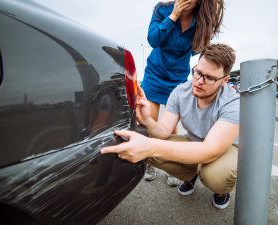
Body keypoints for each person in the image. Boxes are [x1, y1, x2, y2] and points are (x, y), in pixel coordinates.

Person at [101, 43, 239, 209]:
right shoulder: (180, 91)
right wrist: (147, 120)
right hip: (194, 142)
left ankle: (221, 192)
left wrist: (151, 146)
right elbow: (164, 132)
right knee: (150, 144)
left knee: (217, 177)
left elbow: (210, 150)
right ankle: (191, 176)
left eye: (209, 78)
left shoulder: (233, 101)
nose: (199, 81)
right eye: (198, 72)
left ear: (224, 80)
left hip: (223, 149)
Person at [142, 0, 225, 185]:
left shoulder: (200, 20)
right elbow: (153, 39)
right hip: (155, 73)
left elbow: (196, 50)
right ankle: (148, 161)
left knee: (171, 126)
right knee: (150, 119)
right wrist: (173, 17)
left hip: (177, 77)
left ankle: (172, 164)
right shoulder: (162, 9)